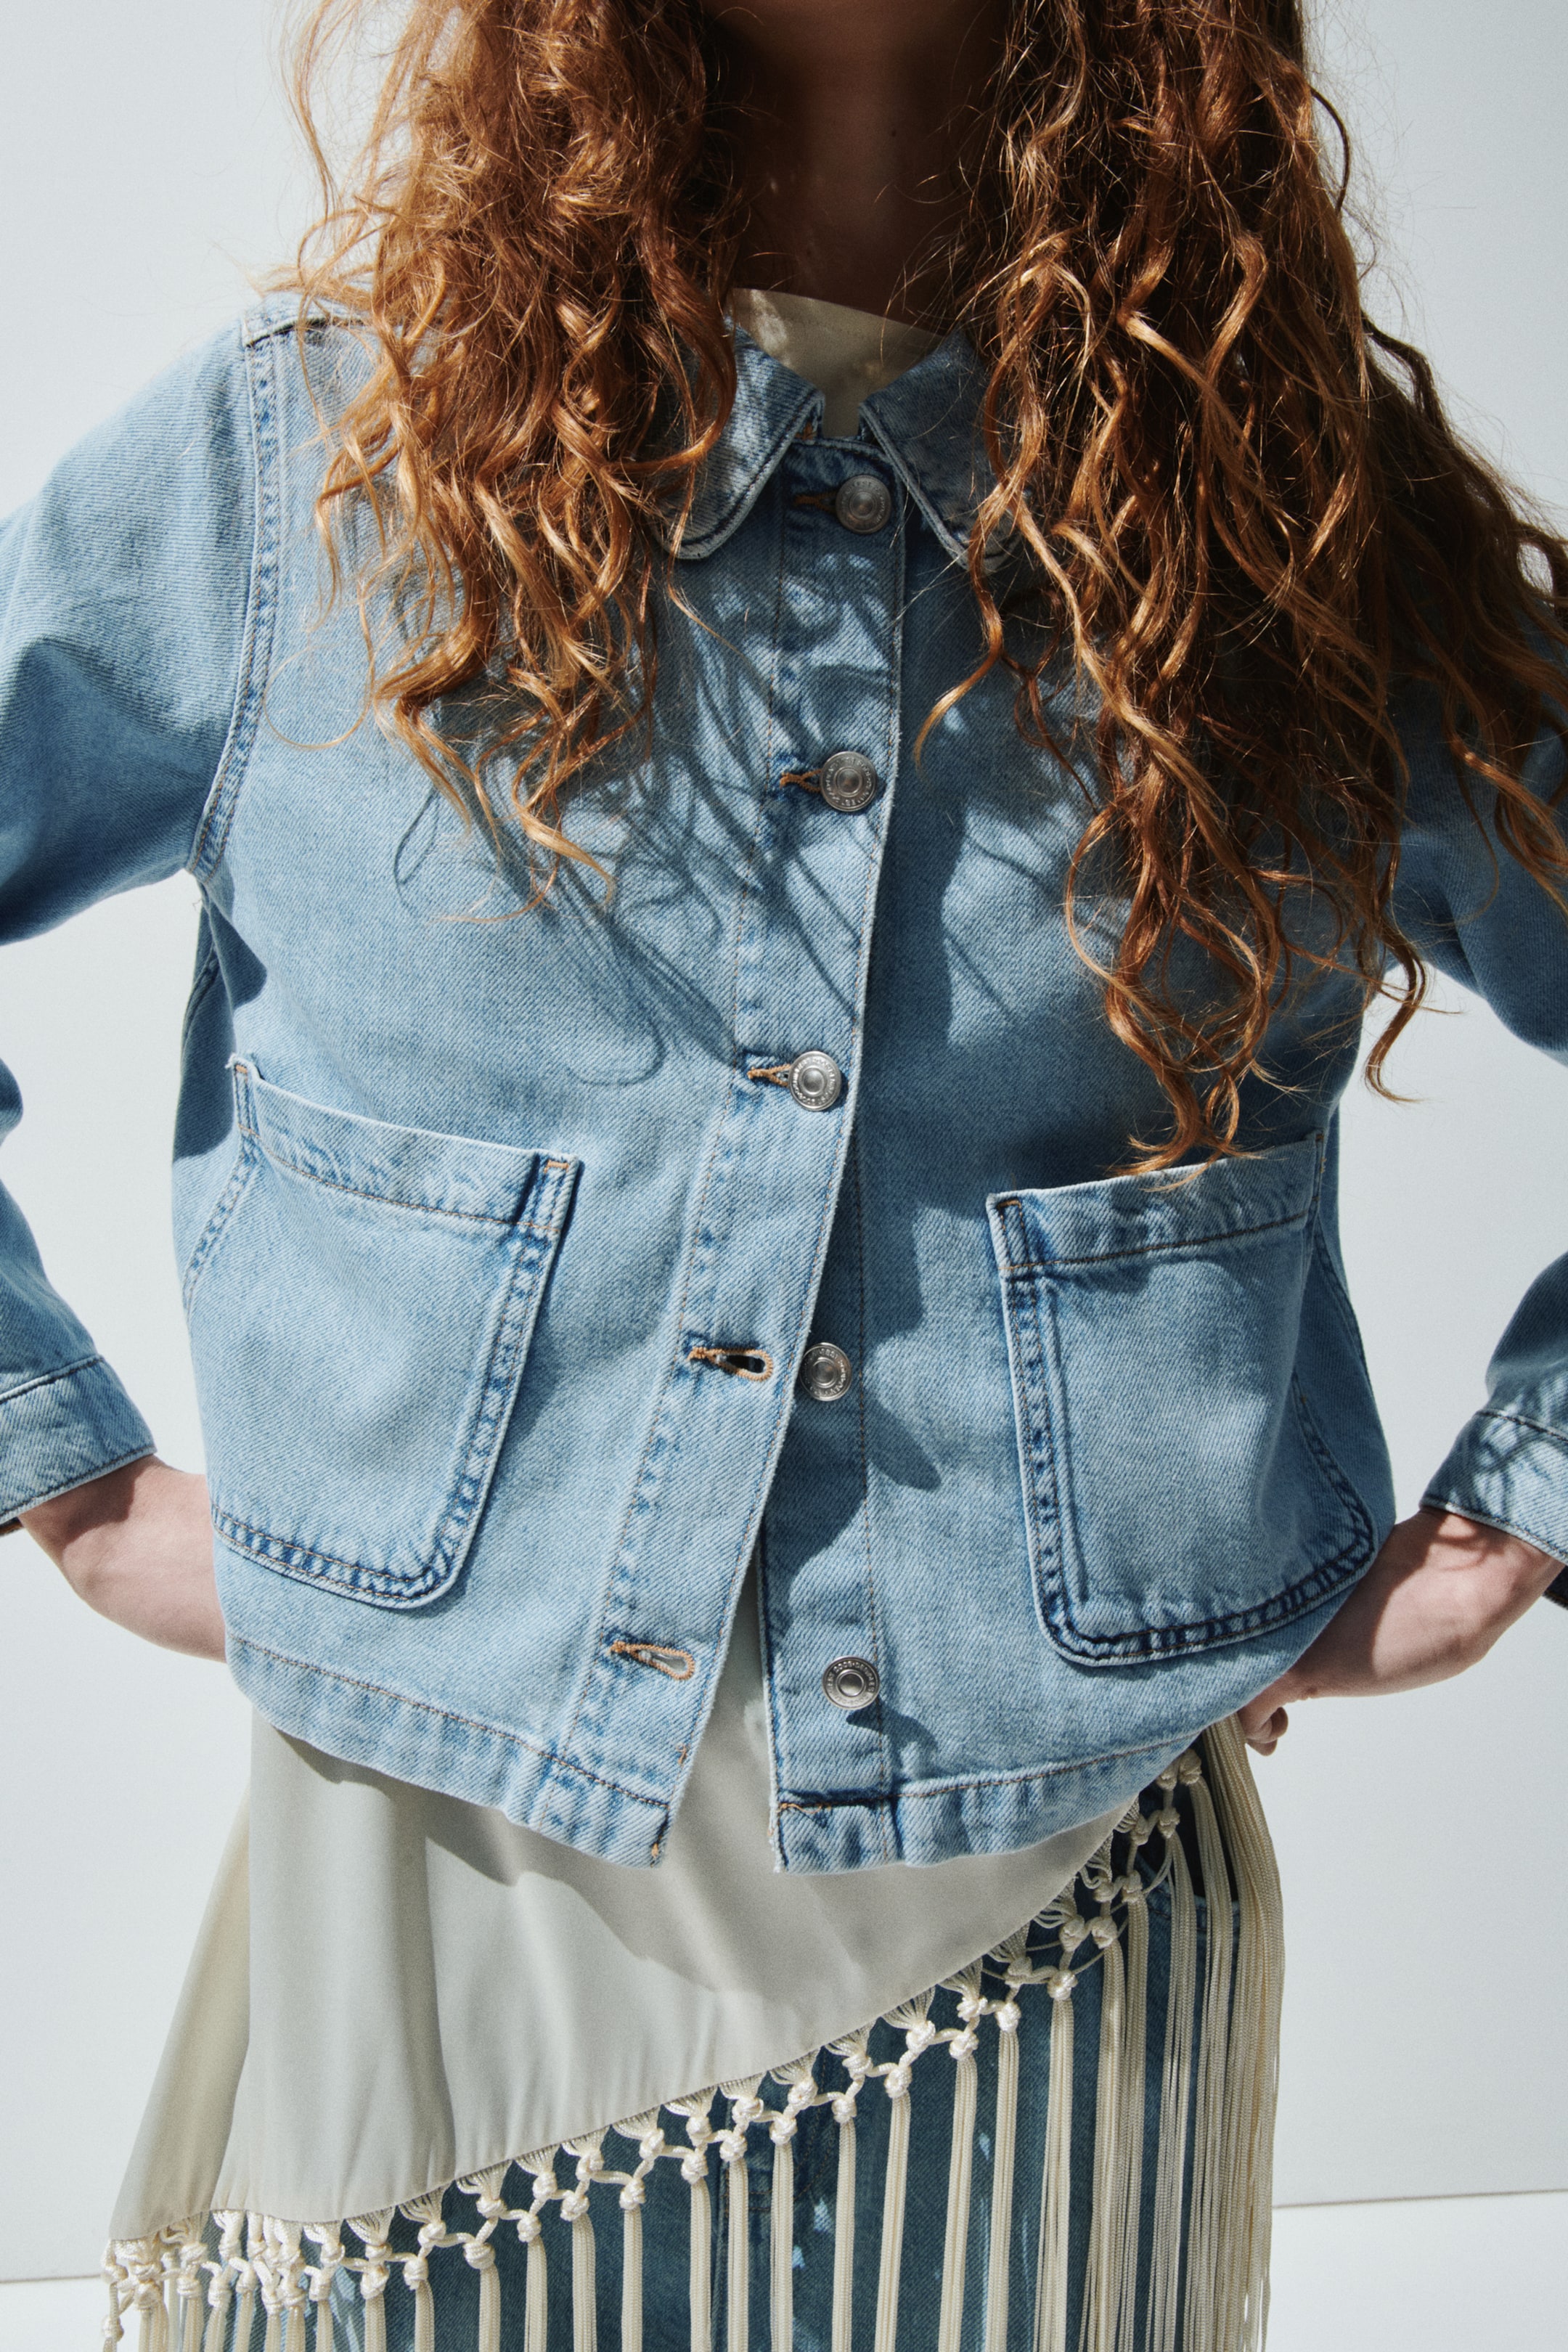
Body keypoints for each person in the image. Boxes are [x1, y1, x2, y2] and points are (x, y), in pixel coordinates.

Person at [4, 0, 1566, 2344]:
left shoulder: (1288, 524)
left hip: (1059, 1898)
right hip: (452, 1862)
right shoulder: (303, 464)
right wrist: (67, 1468)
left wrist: (1516, 1509)